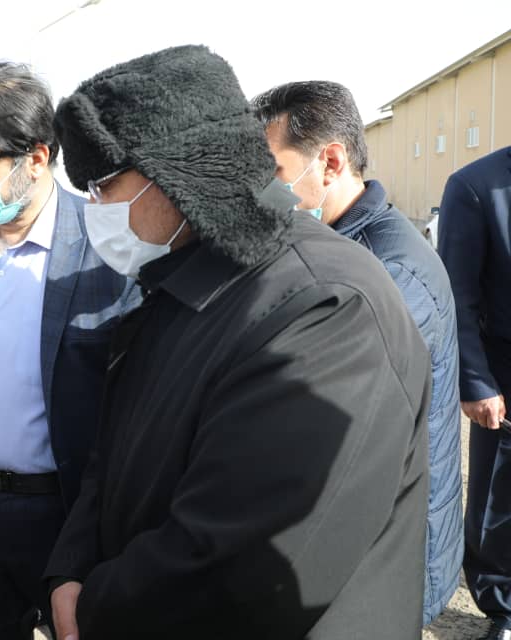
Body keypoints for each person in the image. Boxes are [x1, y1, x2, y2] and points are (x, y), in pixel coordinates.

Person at [44, 45, 432, 639]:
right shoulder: (177, 280)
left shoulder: (326, 307)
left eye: (101, 186)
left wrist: (96, 606)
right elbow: (113, 453)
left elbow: (243, 563)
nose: (93, 208)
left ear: (175, 173)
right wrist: (70, 568)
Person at [0, 61, 139, 639]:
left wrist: (91, 523)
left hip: (64, 514)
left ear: (35, 159)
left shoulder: (107, 246)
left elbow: (131, 402)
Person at [252, 80, 463, 625]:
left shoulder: (390, 272)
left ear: (329, 162)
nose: (261, 191)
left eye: (273, 172)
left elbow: (339, 420)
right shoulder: (332, 246)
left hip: (391, 550)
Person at [438, 145, 511, 640]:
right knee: (500, 501)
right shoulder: (475, 186)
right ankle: (504, 607)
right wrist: (477, 382)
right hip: (504, 377)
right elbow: (457, 296)